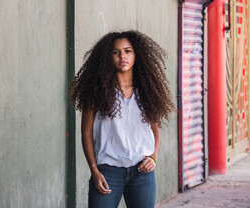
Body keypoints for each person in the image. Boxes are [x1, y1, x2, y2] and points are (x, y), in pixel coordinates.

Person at [69, 30, 175, 208]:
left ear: (136, 54)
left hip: (142, 171)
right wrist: (94, 170)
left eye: (127, 51)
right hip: (108, 171)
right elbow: (86, 133)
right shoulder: (97, 91)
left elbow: (155, 130)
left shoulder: (147, 91)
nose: (122, 56)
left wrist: (153, 156)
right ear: (107, 57)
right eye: (115, 52)